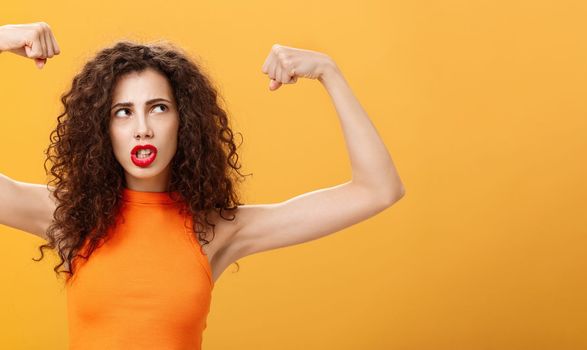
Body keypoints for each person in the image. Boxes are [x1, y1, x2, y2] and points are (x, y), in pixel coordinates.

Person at [0, 21, 405, 348]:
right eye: (123, 112)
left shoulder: (216, 230)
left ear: (184, 122)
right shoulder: (69, 217)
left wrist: (328, 73)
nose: (142, 129)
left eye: (158, 108)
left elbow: (377, 189)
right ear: (101, 129)